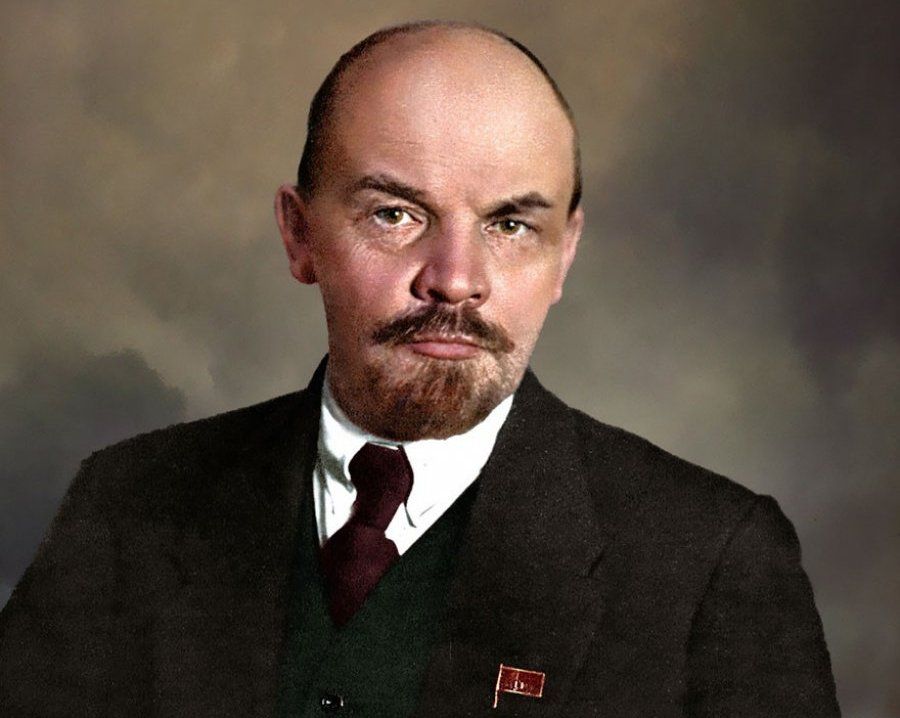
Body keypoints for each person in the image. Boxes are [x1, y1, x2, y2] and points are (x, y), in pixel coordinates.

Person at [0, 21, 840, 717]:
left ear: (565, 255)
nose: (456, 278)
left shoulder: (714, 561)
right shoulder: (124, 507)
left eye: (510, 225)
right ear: (300, 234)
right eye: (396, 214)